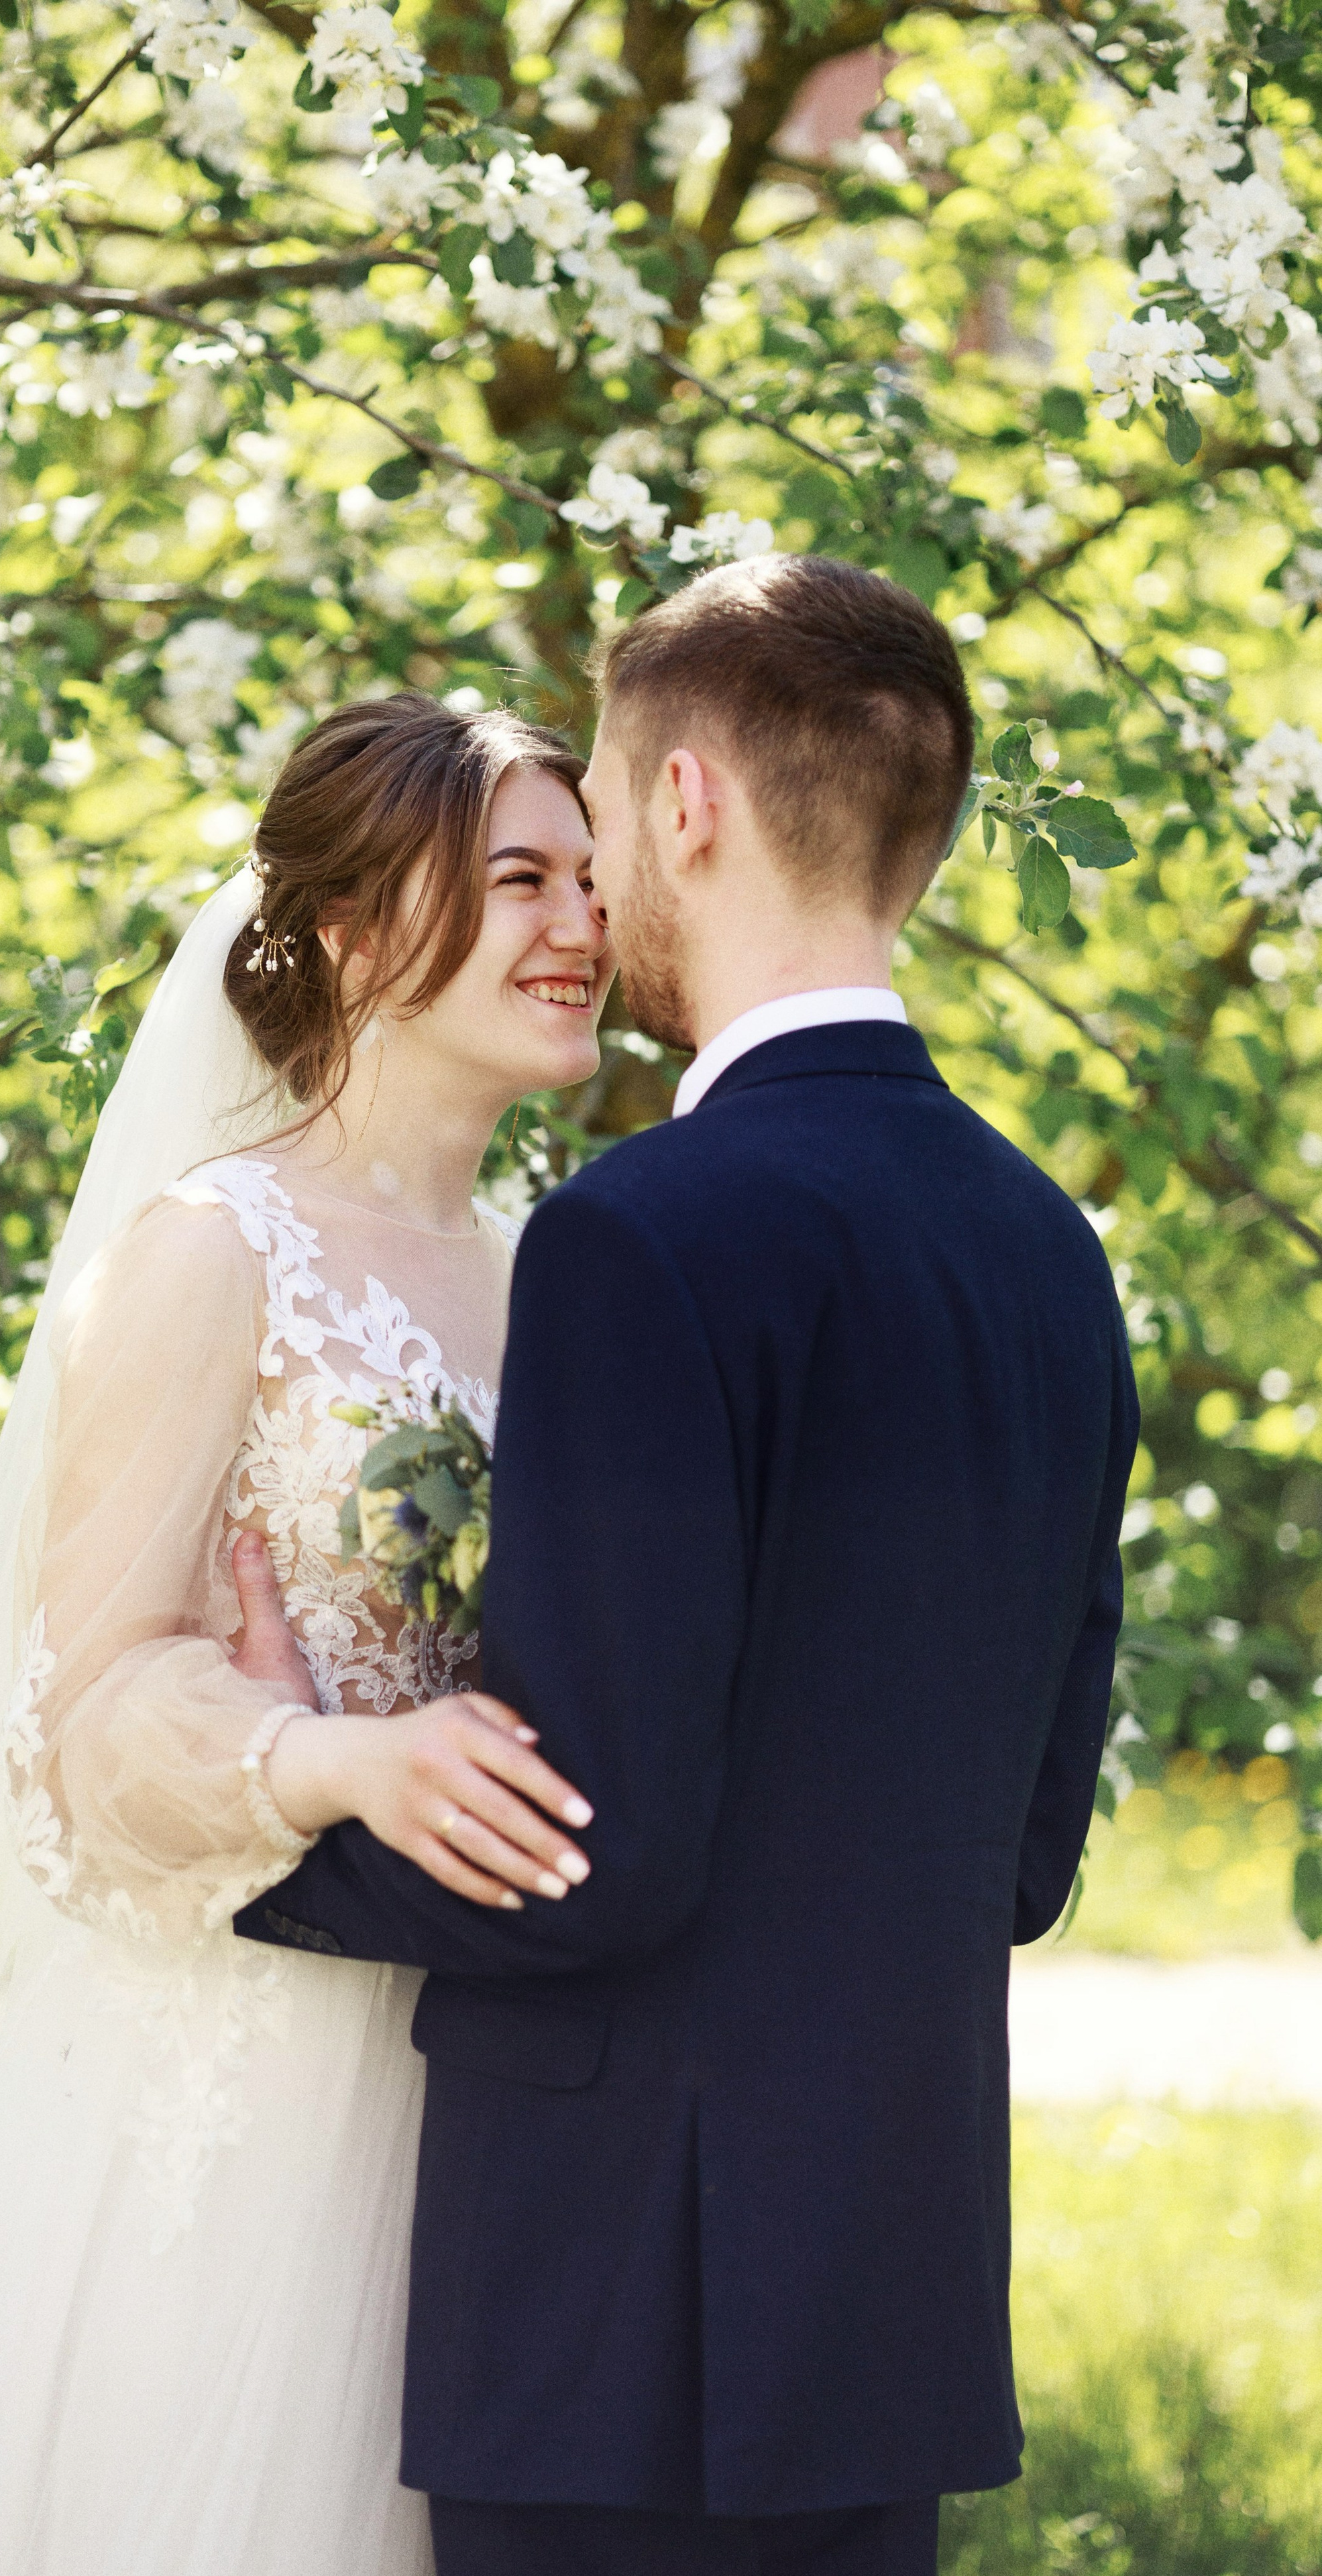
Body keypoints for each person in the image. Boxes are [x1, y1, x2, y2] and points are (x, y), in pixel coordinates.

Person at [235, 556, 1140, 2576]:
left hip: (617, 2304)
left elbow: (598, 1840)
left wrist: (267, 1824)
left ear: (692, 804)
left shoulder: (646, 1237)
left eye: (616, 808)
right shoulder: (1046, 1255)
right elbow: (1023, 1851)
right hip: (882, 2291)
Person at [0, 694, 609, 2576]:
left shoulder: (562, 1268)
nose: (582, 923)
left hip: (491, 2089)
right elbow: (73, 1728)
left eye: (591, 876)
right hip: (241, 2098)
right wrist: (319, 1752)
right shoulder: (211, 1252)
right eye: (521, 877)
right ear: (353, 931)